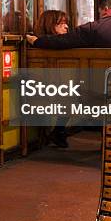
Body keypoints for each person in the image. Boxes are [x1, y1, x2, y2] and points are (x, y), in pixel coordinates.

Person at [33, 10, 70, 148]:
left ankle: (59, 132)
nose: (66, 27)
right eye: (61, 23)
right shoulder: (43, 44)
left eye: (66, 23)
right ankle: (59, 132)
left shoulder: (59, 44)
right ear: (49, 25)